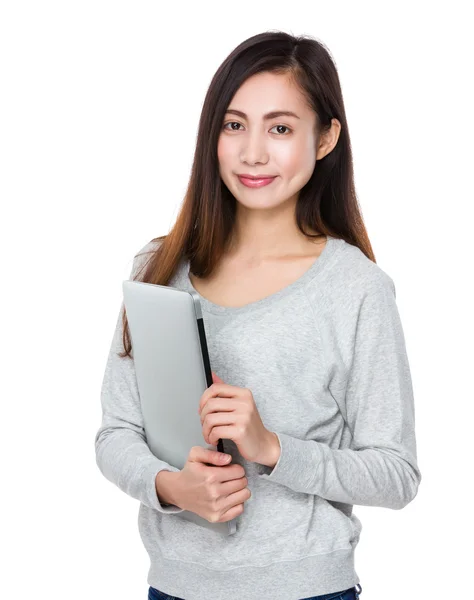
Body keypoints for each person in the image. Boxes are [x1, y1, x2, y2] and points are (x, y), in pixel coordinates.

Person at [94, 30, 421, 600]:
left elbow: (396, 474)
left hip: (307, 591)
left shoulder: (356, 289)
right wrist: (172, 487)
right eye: (233, 124)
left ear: (325, 139)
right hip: (174, 589)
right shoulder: (160, 266)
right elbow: (116, 434)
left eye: (280, 128)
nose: (252, 153)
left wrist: (271, 448)